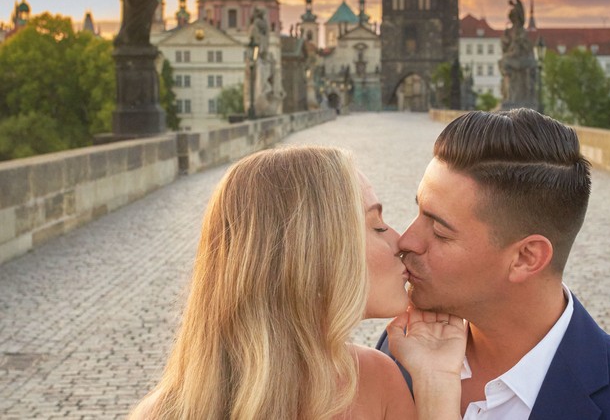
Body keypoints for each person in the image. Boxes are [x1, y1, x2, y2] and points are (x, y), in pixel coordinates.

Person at [379, 108, 610, 419]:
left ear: (526, 258)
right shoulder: (399, 352)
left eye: (438, 230)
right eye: (419, 211)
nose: (405, 240)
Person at [129, 146, 464, 420]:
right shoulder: (372, 384)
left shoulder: (379, 380)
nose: (401, 241)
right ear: (314, 254)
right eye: (376, 226)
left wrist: (436, 385)